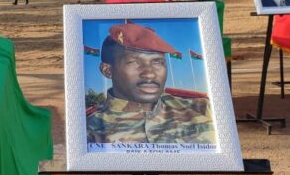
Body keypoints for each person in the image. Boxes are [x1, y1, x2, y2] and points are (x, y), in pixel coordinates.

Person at [86, 22, 215, 144]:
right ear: (108, 71)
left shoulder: (204, 110)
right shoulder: (87, 129)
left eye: (157, 62)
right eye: (134, 62)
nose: (150, 73)